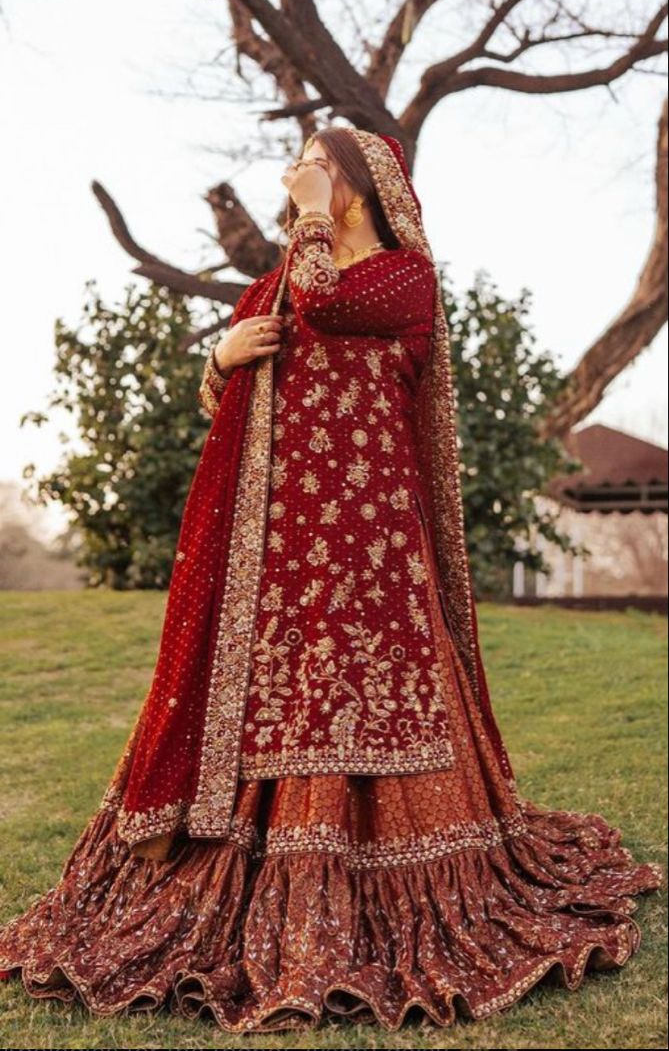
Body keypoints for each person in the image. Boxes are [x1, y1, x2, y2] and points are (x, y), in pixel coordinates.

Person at [0, 126, 662, 1034]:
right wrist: (218, 359)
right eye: (303, 163)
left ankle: (390, 880)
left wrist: (309, 218)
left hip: (372, 541)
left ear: (358, 186)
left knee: (367, 690)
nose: (301, 173)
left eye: (322, 164)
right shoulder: (271, 283)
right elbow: (233, 385)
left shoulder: (400, 276)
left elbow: (323, 303)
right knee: (273, 688)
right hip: (278, 539)